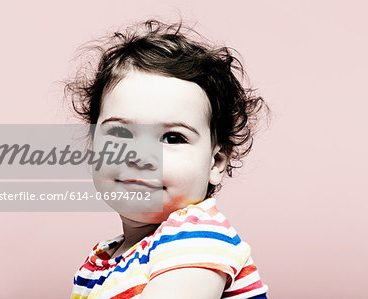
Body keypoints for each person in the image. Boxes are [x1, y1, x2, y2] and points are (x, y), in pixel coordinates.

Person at [66, 19, 270, 299]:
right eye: (121, 133)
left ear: (216, 163)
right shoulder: (104, 262)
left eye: (172, 138)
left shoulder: (198, 240)